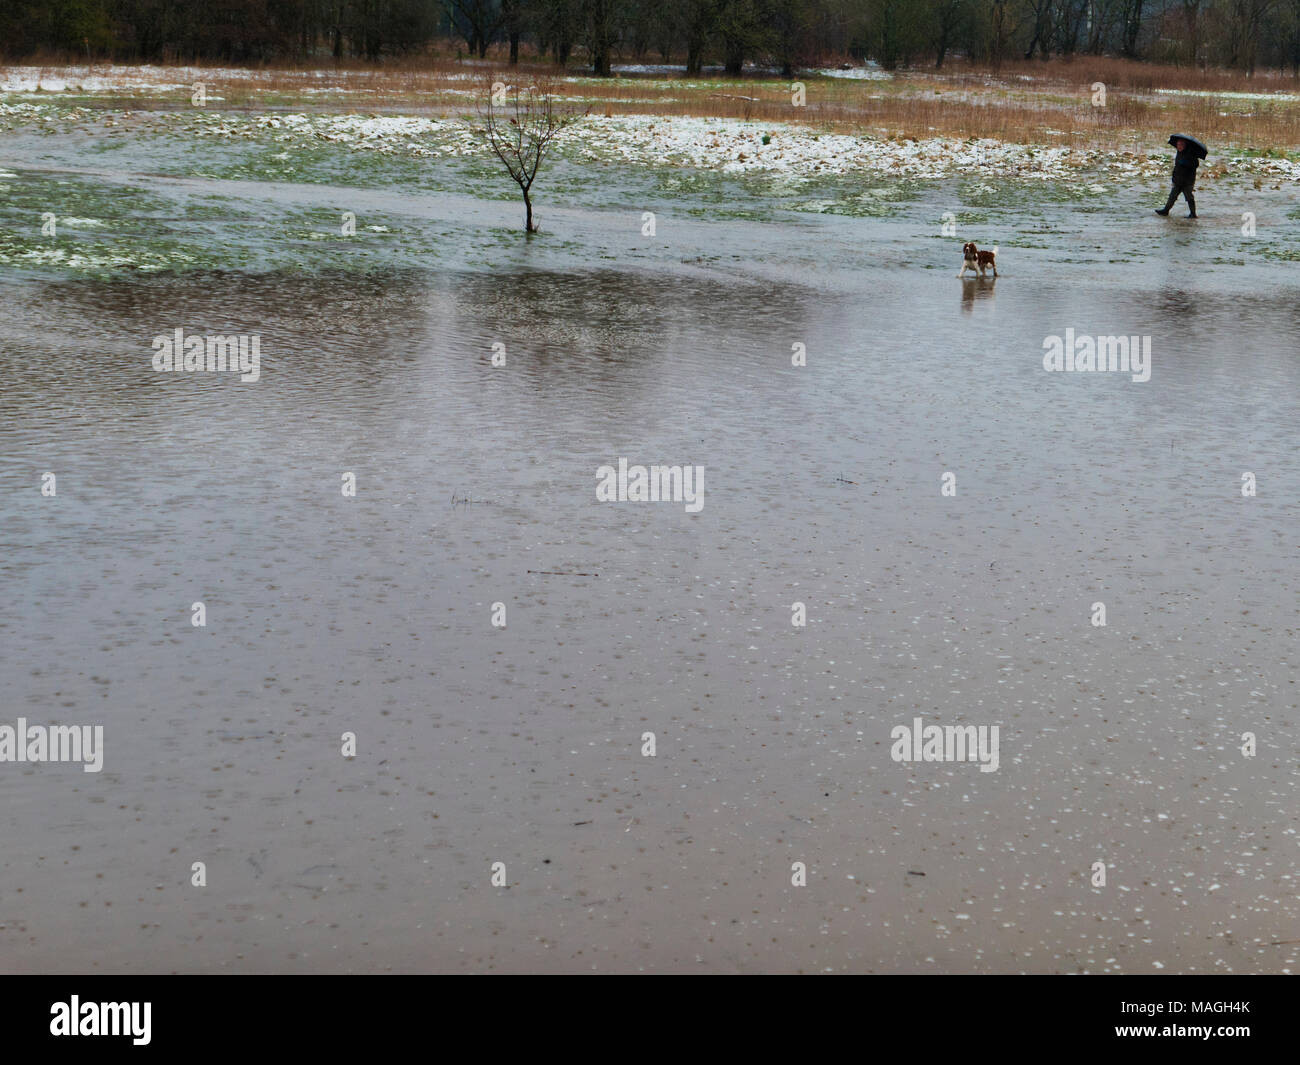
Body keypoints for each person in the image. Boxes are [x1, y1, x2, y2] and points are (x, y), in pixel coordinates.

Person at [1155, 138, 1199, 218]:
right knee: (1172, 196)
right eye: (1178, 145)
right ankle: (1165, 211)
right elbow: (1177, 166)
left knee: (1189, 197)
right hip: (1178, 180)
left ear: (1185, 145)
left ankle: (1193, 214)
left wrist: (1186, 163)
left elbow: (1195, 165)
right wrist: (1174, 177)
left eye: (1181, 145)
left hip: (1187, 181)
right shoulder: (1179, 153)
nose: (1179, 147)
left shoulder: (1191, 153)